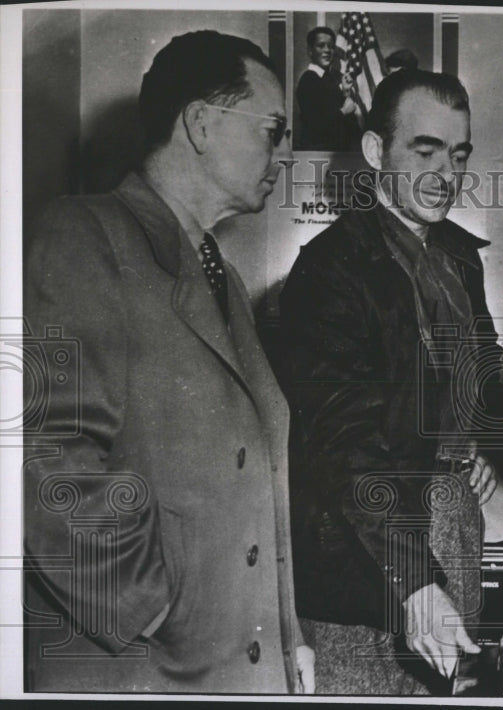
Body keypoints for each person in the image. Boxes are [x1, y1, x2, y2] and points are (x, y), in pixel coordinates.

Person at [22, 30, 313, 693]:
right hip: (141, 668)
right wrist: (155, 605)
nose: (285, 155)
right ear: (202, 124)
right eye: (273, 131)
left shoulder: (222, 277)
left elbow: (262, 468)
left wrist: (287, 632)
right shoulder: (84, 233)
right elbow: (42, 452)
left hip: (230, 668)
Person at [279, 69, 502, 694]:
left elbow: (468, 389)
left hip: (452, 532)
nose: (444, 174)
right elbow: (345, 438)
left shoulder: (461, 258)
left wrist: (465, 448)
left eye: (457, 155)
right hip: (365, 560)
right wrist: (416, 581)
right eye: (424, 150)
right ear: (377, 152)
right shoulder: (328, 269)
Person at [295, 26, 362, 151]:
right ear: (310, 51)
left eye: (331, 46)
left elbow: (346, 125)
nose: (327, 50)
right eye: (321, 46)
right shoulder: (308, 80)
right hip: (318, 153)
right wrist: (343, 111)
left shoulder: (332, 79)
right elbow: (315, 125)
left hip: (338, 153)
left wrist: (346, 92)